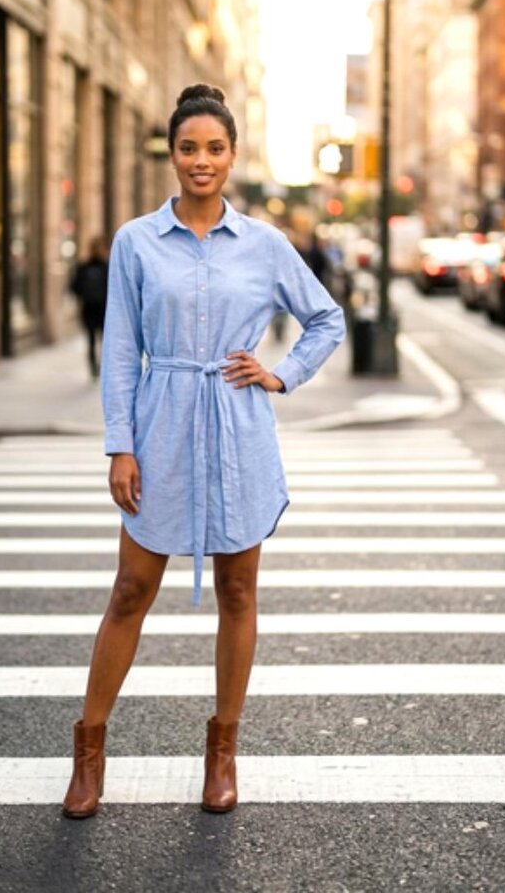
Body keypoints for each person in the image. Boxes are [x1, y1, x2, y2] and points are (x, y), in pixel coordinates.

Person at [62, 84, 346, 819]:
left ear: (232, 155)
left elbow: (325, 317)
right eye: (189, 147)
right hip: (160, 424)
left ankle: (223, 752)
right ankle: (90, 751)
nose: (201, 160)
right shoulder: (134, 243)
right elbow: (121, 351)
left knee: (239, 592)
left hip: (239, 428)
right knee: (130, 589)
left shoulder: (266, 244)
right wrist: (120, 446)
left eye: (214, 148)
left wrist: (280, 373)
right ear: (171, 153)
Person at [69, 235, 110, 378]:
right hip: (100, 309)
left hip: (93, 308)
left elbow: (74, 287)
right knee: (100, 340)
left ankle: (96, 367)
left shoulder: (85, 267)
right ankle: (97, 367)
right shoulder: (106, 267)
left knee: (94, 340)